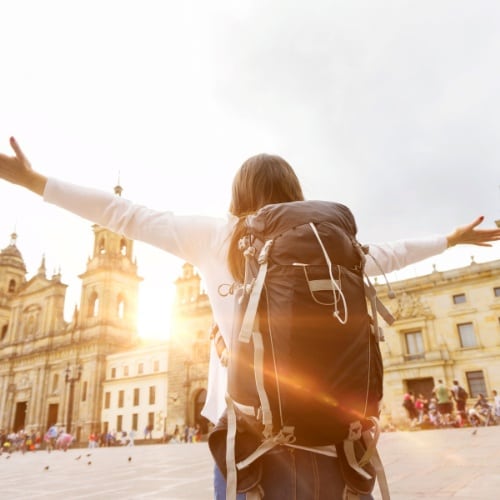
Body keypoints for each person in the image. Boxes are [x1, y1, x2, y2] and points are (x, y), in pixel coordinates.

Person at [1, 137, 499, 499]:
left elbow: (124, 214)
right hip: (333, 431)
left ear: (237, 195)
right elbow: (394, 253)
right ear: (297, 192)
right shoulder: (331, 247)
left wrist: (30, 179)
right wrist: (451, 240)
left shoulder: (218, 236)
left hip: (250, 434)